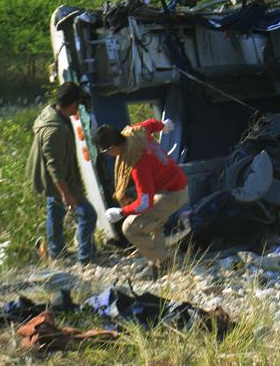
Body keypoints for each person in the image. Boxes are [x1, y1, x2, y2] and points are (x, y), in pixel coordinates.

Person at [92, 118, 187, 278]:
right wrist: (163, 126)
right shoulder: (134, 133)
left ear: (112, 148)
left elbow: (145, 203)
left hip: (172, 194)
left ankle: (164, 263)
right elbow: (150, 123)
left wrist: (121, 212)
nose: (107, 155)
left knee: (130, 228)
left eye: (105, 151)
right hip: (175, 184)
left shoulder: (138, 164)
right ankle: (157, 264)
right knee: (152, 223)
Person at [26, 82, 97, 263]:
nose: (79, 108)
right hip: (57, 180)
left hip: (48, 178)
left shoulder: (50, 113)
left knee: (55, 209)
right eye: (78, 104)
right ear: (72, 104)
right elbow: (55, 168)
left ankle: (57, 253)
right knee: (88, 215)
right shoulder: (55, 130)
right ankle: (85, 259)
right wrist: (66, 194)